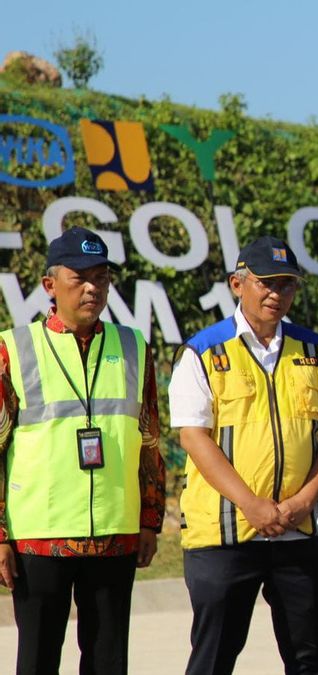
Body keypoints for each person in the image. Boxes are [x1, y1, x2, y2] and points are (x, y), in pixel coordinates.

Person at [168, 236, 318, 675]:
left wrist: (303, 502)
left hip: (298, 533)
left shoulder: (317, 352)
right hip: (224, 538)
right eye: (266, 283)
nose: (276, 293)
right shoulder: (203, 351)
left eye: (286, 285)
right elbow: (194, 438)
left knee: (309, 659)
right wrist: (252, 506)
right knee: (213, 658)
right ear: (237, 284)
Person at [0, 226, 165, 674]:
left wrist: (149, 519)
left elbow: (150, 441)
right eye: (80, 278)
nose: (93, 287)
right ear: (50, 285)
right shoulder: (13, 348)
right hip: (39, 538)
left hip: (115, 534)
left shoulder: (134, 347)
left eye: (102, 277)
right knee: (36, 660)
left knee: (108, 661)